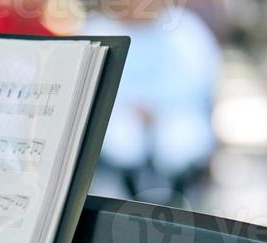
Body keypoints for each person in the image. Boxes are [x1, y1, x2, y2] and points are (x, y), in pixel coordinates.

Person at [84, 0, 222, 203]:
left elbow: (201, 91)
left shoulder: (187, 32)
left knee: (183, 136)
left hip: (176, 128)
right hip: (113, 146)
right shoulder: (95, 32)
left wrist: (157, 111)